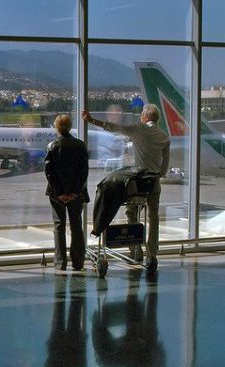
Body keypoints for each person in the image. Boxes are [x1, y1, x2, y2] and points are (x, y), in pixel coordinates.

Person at [82, 104, 170, 273]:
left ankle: (135, 250)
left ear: (145, 117)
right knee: (154, 216)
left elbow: (116, 128)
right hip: (154, 183)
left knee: (132, 212)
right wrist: (156, 175)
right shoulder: (164, 137)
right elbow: (164, 168)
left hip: (138, 181)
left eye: (141, 116)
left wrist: (92, 120)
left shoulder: (140, 129)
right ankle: (152, 253)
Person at [44, 114, 90, 271]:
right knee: (76, 226)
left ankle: (60, 262)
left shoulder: (53, 146)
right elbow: (83, 172)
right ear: (70, 127)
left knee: (59, 226)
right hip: (77, 194)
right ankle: (78, 262)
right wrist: (75, 192)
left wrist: (59, 193)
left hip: (57, 194)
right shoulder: (80, 145)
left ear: (57, 127)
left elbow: (49, 173)